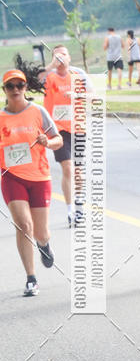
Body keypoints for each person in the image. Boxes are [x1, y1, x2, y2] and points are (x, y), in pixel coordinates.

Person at [0, 68, 63, 296]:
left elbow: (58, 139)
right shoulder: (1, 117)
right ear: (4, 90)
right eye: (10, 86)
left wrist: (48, 142)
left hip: (39, 177)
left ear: (26, 88)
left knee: (41, 232)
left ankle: (44, 245)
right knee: (24, 225)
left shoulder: (38, 111)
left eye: (20, 85)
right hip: (12, 177)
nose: (16, 90)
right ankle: (31, 278)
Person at [40, 45, 88, 227]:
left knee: (78, 170)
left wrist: (76, 94)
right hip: (58, 130)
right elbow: (34, 81)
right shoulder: (49, 77)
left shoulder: (77, 76)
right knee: (67, 168)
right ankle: (70, 211)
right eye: (57, 56)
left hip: (78, 127)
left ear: (69, 57)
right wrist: (51, 65)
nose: (61, 58)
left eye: (64, 55)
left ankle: (79, 208)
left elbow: (93, 96)